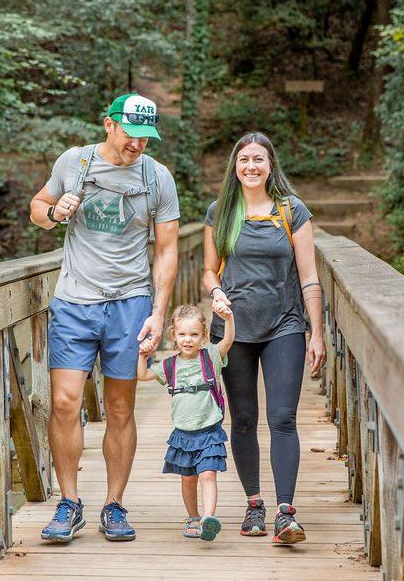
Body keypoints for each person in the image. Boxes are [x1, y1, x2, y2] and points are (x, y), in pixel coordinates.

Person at [29, 93, 180, 543]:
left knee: (119, 407)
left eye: (146, 137)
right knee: (63, 402)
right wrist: (55, 213)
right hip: (75, 299)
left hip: (129, 301)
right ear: (108, 124)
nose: (138, 144)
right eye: (131, 134)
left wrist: (158, 312)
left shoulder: (157, 178)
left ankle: (114, 504)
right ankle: (69, 502)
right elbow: (38, 208)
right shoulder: (74, 163)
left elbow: (168, 249)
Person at [201, 131, 325, 545]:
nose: (251, 166)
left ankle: (285, 513)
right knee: (243, 418)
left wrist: (317, 332)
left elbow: (309, 277)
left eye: (258, 159)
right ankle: (254, 503)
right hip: (234, 329)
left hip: (284, 325)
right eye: (243, 159)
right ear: (234, 167)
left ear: (271, 165)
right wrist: (216, 292)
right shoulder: (220, 212)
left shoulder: (293, 211)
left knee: (283, 417)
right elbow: (208, 270)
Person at [136, 304, 235, 541]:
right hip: (183, 434)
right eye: (182, 334)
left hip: (210, 430)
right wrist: (143, 356)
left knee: (208, 475)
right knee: (188, 479)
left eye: (194, 334)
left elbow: (229, 341)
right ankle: (193, 516)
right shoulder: (169, 365)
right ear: (174, 335)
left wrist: (229, 319)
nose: (188, 340)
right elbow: (143, 376)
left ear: (203, 336)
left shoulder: (210, 356)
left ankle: (208, 518)